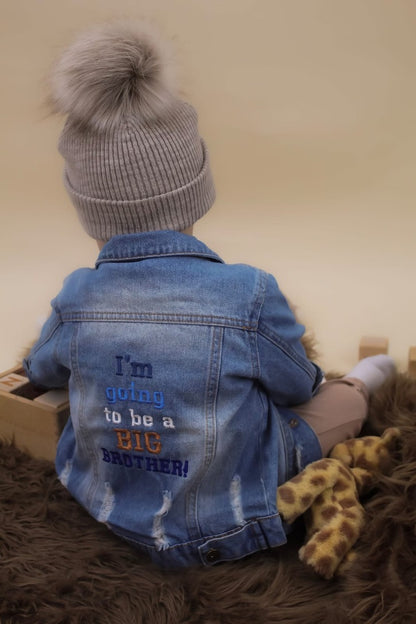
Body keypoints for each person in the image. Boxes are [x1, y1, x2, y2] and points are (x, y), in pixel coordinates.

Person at [24, 21, 395, 568]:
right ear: (196, 189)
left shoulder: (76, 297)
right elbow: (297, 386)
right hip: (228, 512)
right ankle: (373, 376)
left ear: (89, 209)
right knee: (338, 400)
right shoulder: (246, 291)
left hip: (107, 501)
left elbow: (40, 369)